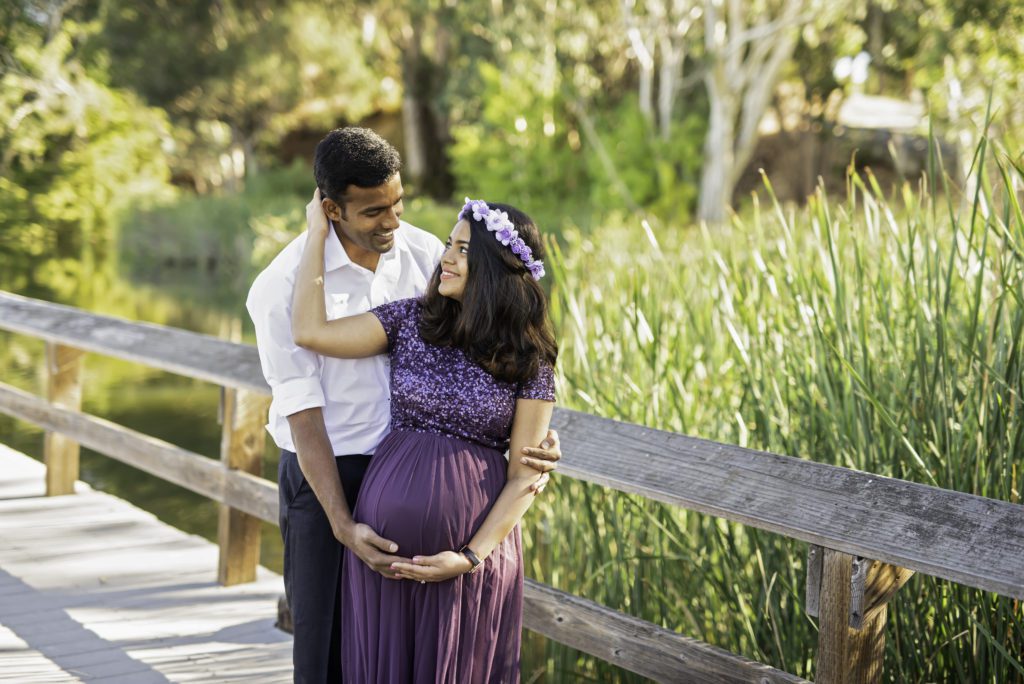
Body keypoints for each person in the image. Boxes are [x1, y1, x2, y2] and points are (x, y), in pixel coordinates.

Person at [245, 127, 561, 683]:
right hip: (328, 473)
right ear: (331, 209)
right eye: (373, 212)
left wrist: (531, 439)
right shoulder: (280, 287)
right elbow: (303, 411)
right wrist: (342, 523)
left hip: (407, 485)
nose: (391, 222)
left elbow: (489, 339)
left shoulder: (424, 254)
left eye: (397, 204)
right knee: (324, 655)